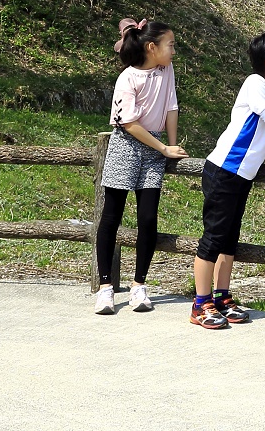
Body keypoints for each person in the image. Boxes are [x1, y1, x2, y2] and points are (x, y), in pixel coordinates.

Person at [189, 30, 265, 330]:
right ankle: (200, 303)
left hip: (241, 174)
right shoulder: (255, 83)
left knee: (229, 240)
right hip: (224, 170)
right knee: (213, 239)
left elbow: (263, 127)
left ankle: (221, 296)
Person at [94, 18, 187, 315]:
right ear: (151, 47)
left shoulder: (166, 70)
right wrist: (163, 148)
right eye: (170, 45)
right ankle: (106, 288)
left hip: (155, 146)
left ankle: (139, 286)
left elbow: (171, 106)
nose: (173, 51)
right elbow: (129, 123)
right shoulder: (127, 79)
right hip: (126, 144)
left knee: (148, 218)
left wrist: (172, 145)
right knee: (112, 216)